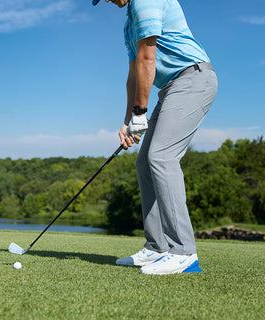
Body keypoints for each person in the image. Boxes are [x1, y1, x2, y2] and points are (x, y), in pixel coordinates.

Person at [93, 0, 218, 274]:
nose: (108, 2)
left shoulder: (145, 1)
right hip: (171, 88)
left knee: (161, 156)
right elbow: (134, 73)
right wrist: (128, 121)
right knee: (144, 163)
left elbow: (148, 58)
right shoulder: (129, 22)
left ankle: (183, 252)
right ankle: (156, 247)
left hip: (192, 80)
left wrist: (141, 112)